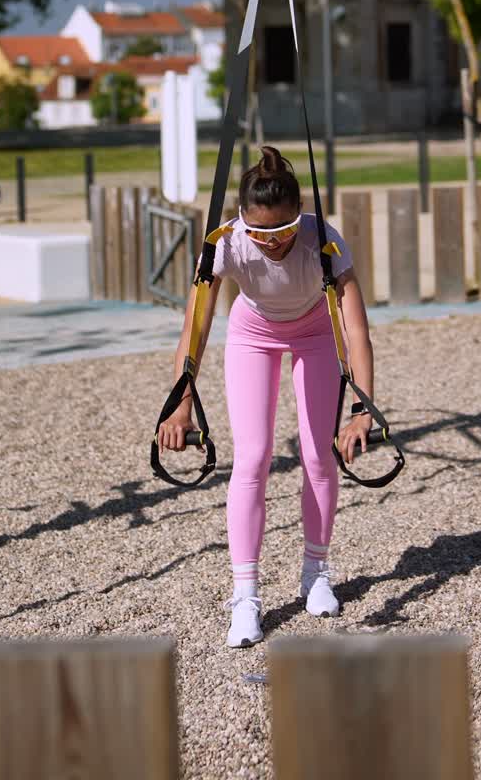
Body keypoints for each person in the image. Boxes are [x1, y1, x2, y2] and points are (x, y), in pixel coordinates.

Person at [159, 145, 375, 649]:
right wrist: (180, 402)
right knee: (251, 459)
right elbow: (195, 325)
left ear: (298, 218)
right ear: (241, 223)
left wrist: (362, 409)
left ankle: (316, 573)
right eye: (258, 233)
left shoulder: (324, 242)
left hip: (316, 336)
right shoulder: (226, 244)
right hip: (253, 333)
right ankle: (246, 597)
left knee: (318, 454)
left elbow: (357, 332)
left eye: (281, 233)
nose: (270, 243)